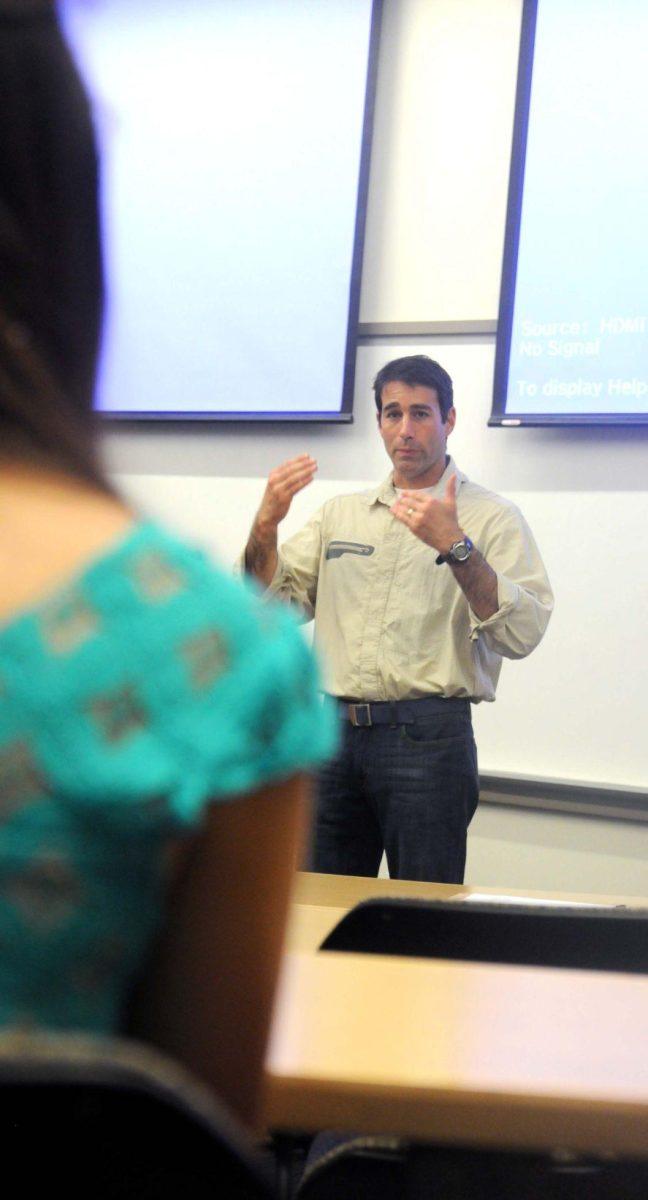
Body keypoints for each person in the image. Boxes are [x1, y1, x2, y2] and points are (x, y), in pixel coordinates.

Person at [0, 2, 335, 1132]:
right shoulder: (210, 652)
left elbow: (512, 622)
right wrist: (265, 527)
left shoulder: (459, 517)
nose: (401, 426)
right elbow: (177, 1148)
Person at [244, 354, 553, 884]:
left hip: (428, 740)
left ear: (449, 420)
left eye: (420, 414)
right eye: (392, 414)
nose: (404, 431)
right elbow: (266, 608)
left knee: (424, 915)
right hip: (332, 737)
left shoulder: (492, 518)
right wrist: (266, 527)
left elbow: (522, 633)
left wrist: (456, 547)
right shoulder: (340, 514)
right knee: (320, 911)